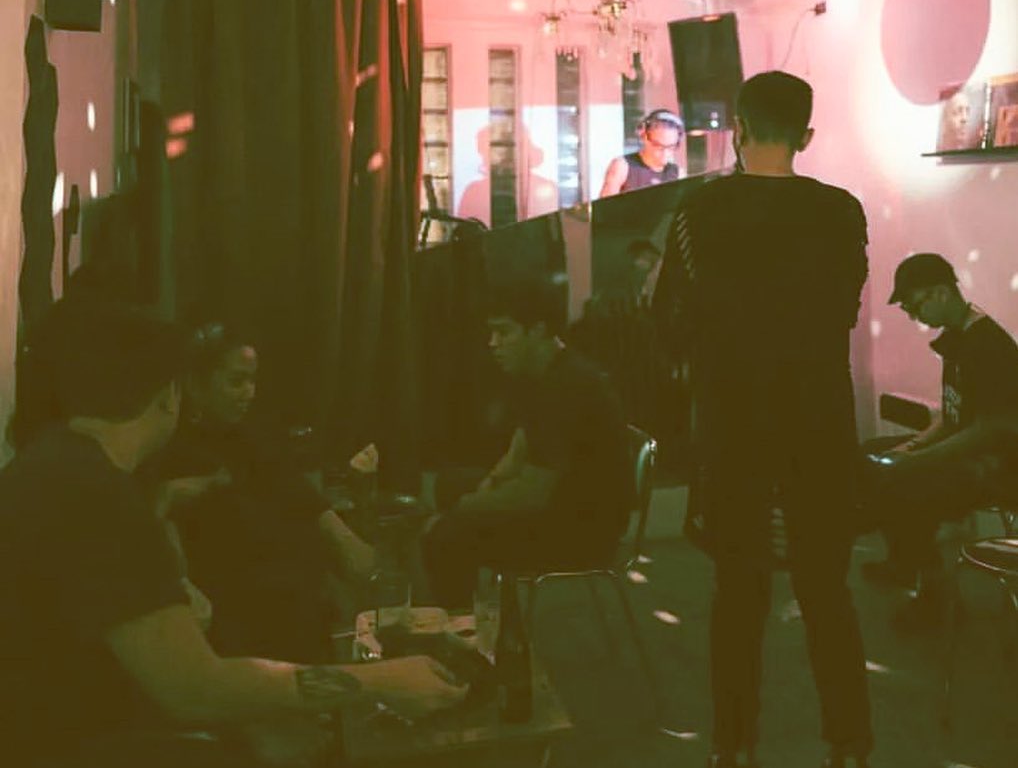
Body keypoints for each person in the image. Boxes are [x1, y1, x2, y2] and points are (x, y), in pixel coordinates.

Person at [0, 297, 465, 768]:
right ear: (168, 395)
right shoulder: (96, 495)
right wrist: (383, 681)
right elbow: (195, 688)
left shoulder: (57, 462)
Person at [654, 71, 871, 768]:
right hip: (819, 421)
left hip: (733, 422)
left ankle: (734, 746)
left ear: (738, 130)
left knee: (739, 593)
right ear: (806, 135)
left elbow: (669, 322)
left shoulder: (699, 210)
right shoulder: (842, 211)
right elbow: (844, 310)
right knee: (827, 590)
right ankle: (850, 745)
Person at [148, 325, 377, 662]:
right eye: (236, 381)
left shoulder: (251, 434)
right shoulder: (168, 447)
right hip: (229, 602)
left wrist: (342, 537)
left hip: (290, 594)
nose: (249, 393)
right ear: (195, 385)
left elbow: (296, 491)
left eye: (252, 381)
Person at [421, 274, 632, 609]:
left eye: (504, 332)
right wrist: (487, 486)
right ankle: (474, 617)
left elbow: (533, 493)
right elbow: (519, 449)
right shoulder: (541, 372)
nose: (492, 343)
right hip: (562, 500)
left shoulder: (567, 386)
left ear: (538, 330)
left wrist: (460, 511)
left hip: (584, 528)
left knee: (447, 536)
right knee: (450, 485)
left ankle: (459, 629)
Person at [862, 253, 1018, 619]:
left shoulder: (988, 346)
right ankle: (904, 563)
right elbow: (951, 416)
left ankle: (933, 595)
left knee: (908, 482)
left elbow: (990, 429)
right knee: (874, 454)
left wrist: (919, 459)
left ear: (941, 293)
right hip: (973, 451)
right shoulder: (956, 338)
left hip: (999, 466)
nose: (914, 317)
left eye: (915, 306)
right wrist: (911, 446)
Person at [599, 109, 684, 197]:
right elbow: (604, 205)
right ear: (644, 137)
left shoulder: (677, 173)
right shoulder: (622, 166)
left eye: (671, 147)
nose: (665, 153)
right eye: (658, 146)